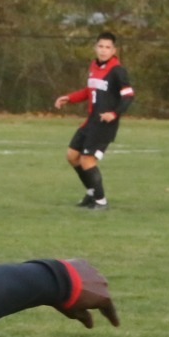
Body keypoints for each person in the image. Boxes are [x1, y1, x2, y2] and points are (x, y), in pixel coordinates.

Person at [52, 31, 134, 210]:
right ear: (95, 48)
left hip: (104, 124)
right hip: (91, 121)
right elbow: (89, 91)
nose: (103, 50)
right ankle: (91, 193)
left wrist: (114, 113)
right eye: (100, 46)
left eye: (107, 47)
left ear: (114, 50)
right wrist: (69, 98)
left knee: (87, 160)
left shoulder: (117, 71)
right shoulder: (94, 66)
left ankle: (101, 201)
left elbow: (128, 95)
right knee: (72, 156)